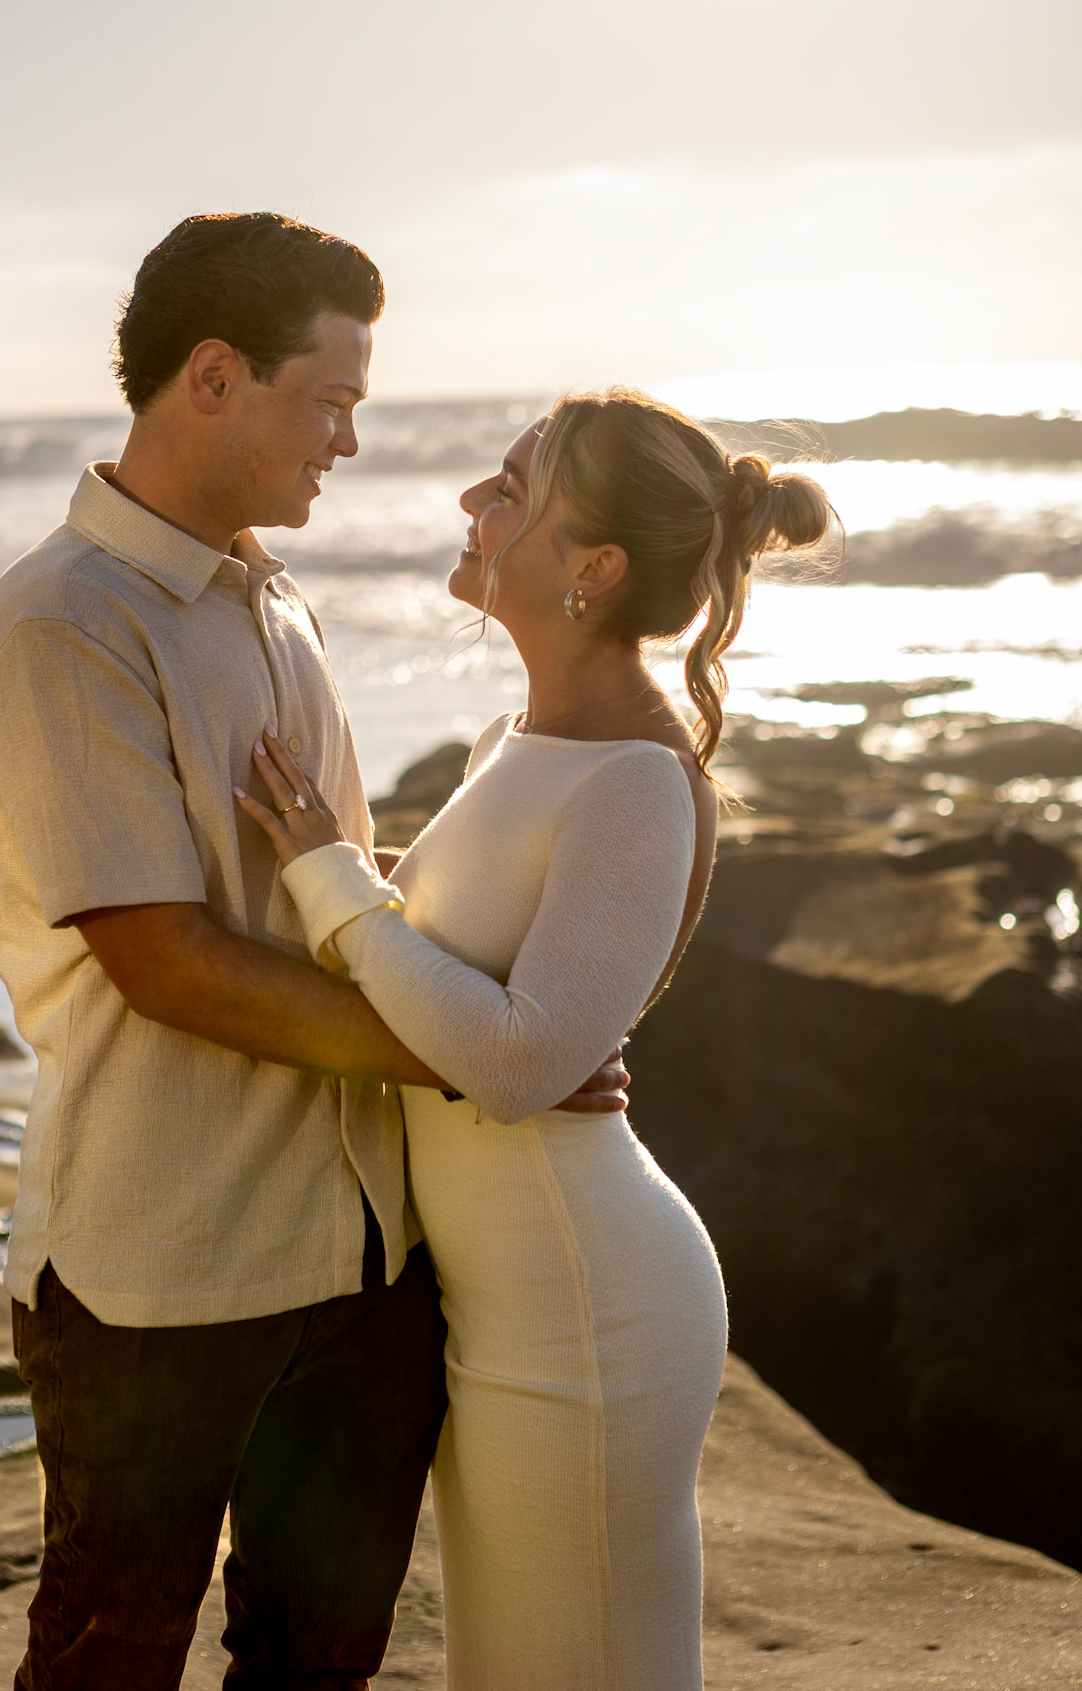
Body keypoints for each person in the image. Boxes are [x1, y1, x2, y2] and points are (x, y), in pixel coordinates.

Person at [0, 210, 626, 1690]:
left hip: (368, 1261)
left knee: (321, 1659)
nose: (346, 439)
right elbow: (168, 958)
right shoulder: (65, 622)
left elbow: (306, 891)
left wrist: (530, 975)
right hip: (161, 1272)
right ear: (213, 376)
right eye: (328, 399)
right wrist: (481, 1058)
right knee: (107, 1656)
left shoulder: (273, 596)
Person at [233, 390, 837, 1689]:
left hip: (587, 1307)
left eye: (509, 488)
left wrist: (333, 881)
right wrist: (350, 888)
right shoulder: (521, 739)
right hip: (503, 1301)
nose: (471, 504)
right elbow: (476, 971)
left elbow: (514, 1064)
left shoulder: (631, 773)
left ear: (594, 569)